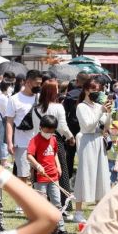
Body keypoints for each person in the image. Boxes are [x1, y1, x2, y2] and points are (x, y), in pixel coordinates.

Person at [73, 77, 112, 224]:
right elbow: (88, 125)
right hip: (87, 141)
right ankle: (78, 211)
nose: (96, 92)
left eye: (98, 90)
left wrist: (108, 112)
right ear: (86, 90)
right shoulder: (81, 107)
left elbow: (106, 126)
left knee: (101, 175)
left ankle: (99, 210)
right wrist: (101, 111)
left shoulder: (98, 105)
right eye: (93, 90)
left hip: (99, 140)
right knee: (85, 174)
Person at [27, 115, 70, 234]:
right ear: (41, 127)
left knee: (57, 203)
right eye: (47, 131)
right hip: (41, 178)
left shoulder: (53, 139)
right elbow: (29, 156)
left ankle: (61, 227)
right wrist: (37, 166)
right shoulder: (35, 140)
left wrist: (59, 166)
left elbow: (55, 153)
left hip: (53, 176)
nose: (49, 133)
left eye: (52, 131)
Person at [6, 69, 43, 209]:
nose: (39, 86)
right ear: (27, 82)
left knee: (39, 174)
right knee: (23, 174)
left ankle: (36, 201)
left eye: (40, 83)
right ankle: (22, 204)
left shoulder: (40, 98)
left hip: (40, 141)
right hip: (22, 142)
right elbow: (9, 121)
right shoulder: (14, 99)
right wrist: (9, 141)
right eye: (36, 83)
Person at [38, 81, 75, 212]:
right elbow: (62, 126)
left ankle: (40, 205)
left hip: (38, 141)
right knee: (61, 172)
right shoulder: (59, 107)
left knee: (40, 174)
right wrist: (70, 136)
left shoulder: (36, 107)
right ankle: (64, 205)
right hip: (55, 141)